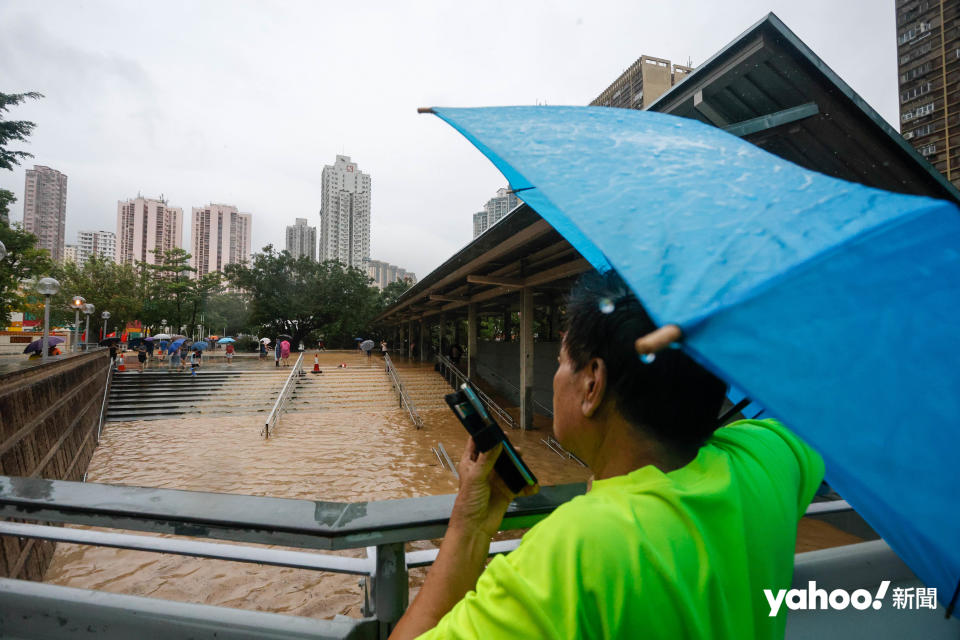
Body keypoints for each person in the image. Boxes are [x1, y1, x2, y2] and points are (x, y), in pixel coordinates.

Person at [391, 270, 824, 639]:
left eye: (561, 361)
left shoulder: (571, 551)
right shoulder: (769, 459)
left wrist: (467, 526)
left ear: (592, 384)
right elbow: (817, 404)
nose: (557, 376)